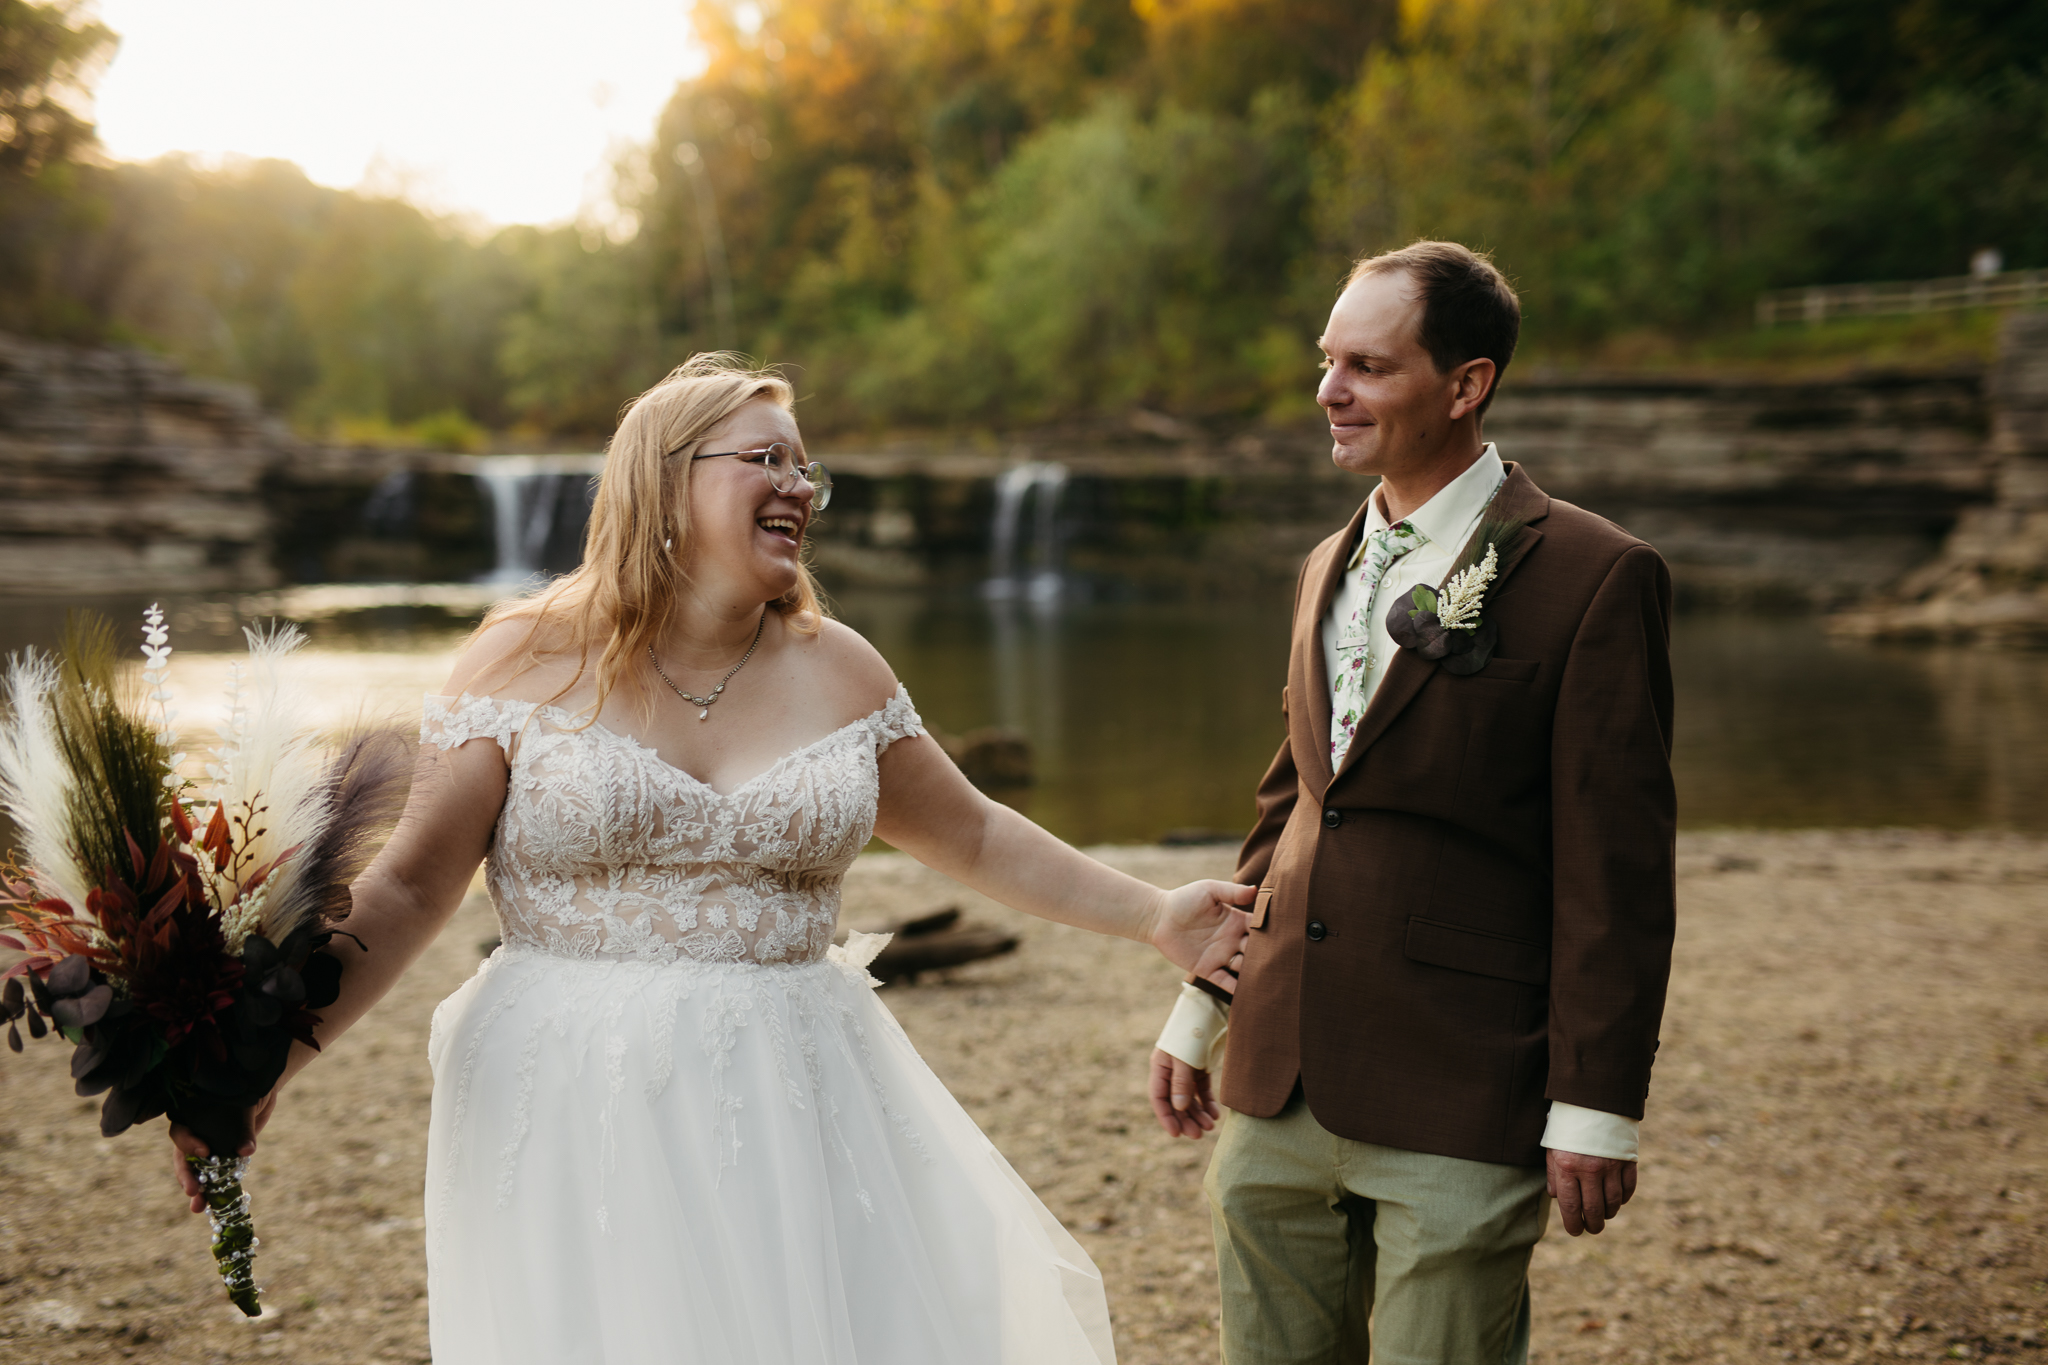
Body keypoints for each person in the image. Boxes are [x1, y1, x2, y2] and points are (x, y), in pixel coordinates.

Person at [169, 354, 1253, 1364]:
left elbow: (969, 832)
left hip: (794, 1087)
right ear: (663, 481)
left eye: (803, 464)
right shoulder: (522, 656)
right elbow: (409, 885)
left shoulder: (841, 669)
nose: (799, 486)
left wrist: (1155, 914)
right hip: (569, 1091)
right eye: (764, 458)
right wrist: (270, 1059)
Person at [1145, 242, 1676, 1364]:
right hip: (1275, 1085)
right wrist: (1204, 1001)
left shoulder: (1594, 574)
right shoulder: (1321, 566)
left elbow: (1613, 870)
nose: (1327, 391)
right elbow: (1291, 803)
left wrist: (1593, 1106)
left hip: (1461, 1081)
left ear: (1464, 385)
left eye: (1367, 367)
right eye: (1326, 360)